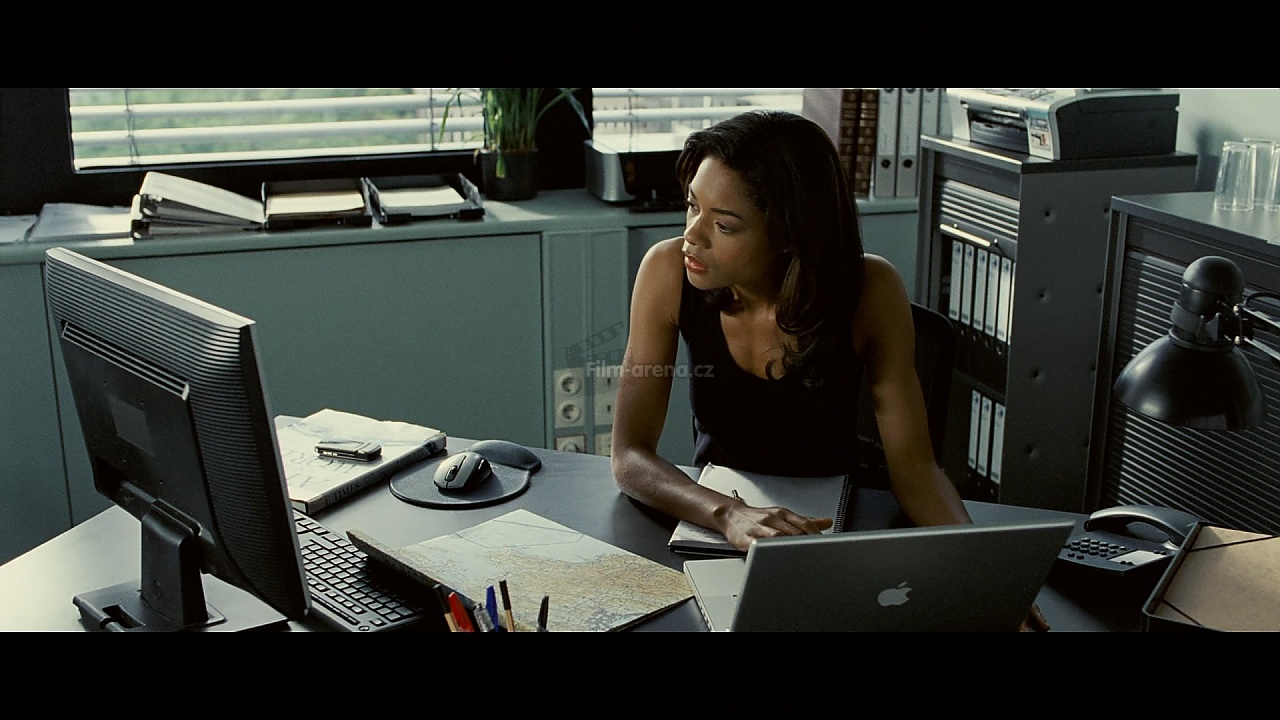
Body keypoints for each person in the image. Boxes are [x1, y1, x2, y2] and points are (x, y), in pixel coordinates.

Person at [610, 110, 1048, 631]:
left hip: (837, 539)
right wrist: (729, 514)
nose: (691, 235)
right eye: (691, 206)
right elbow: (629, 457)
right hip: (715, 528)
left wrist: (982, 568)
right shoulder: (666, 271)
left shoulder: (871, 290)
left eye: (723, 225)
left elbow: (916, 470)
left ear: (789, 234)